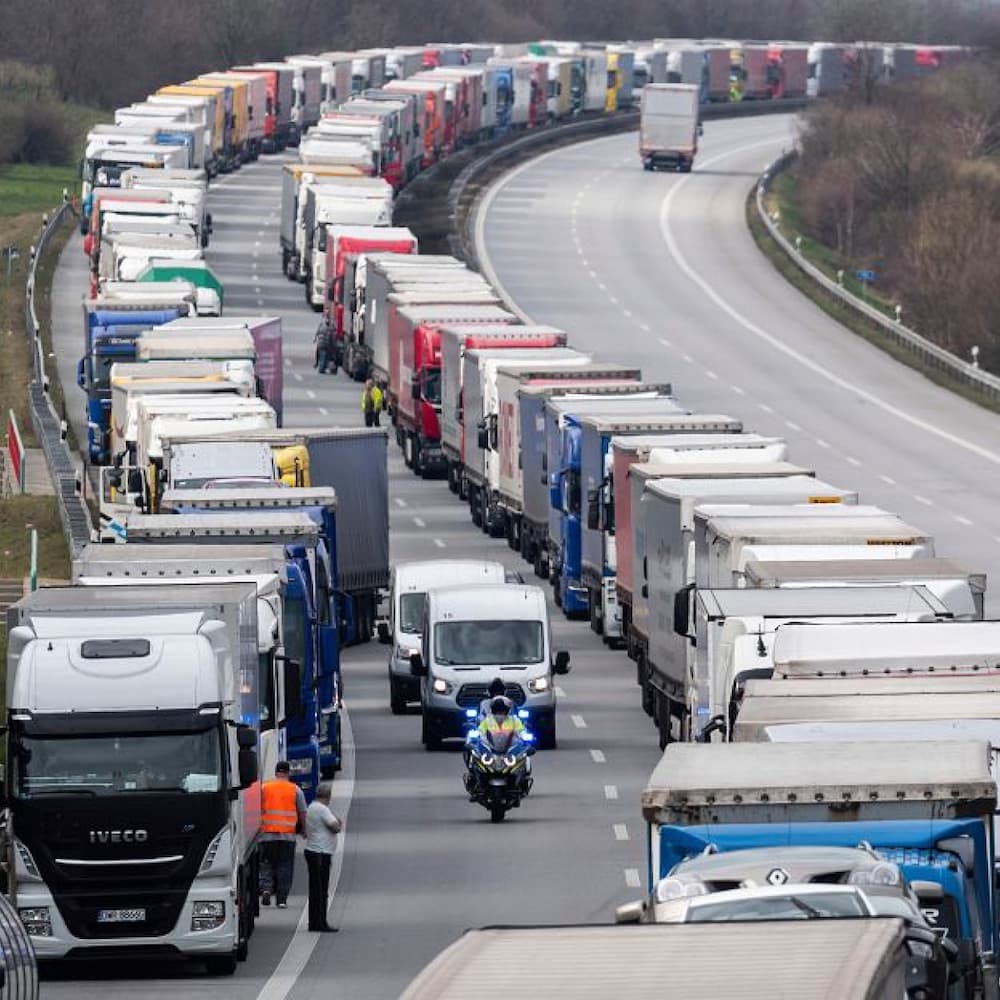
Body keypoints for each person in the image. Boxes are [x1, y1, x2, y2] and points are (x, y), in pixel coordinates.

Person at [259, 761, 307, 909]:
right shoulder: (295, 790)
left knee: (266, 864)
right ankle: (281, 899)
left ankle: (266, 889)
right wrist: (304, 829)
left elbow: (257, 809)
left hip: (267, 835)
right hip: (287, 836)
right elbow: (302, 812)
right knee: (284, 866)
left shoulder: (264, 788)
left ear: (276, 773)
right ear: (288, 773)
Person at [305, 780, 342, 933]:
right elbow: (335, 827)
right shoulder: (323, 809)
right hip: (321, 853)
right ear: (328, 795)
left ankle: (313, 922)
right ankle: (321, 922)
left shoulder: (312, 807)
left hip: (313, 851)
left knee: (315, 889)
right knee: (321, 890)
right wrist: (339, 823)